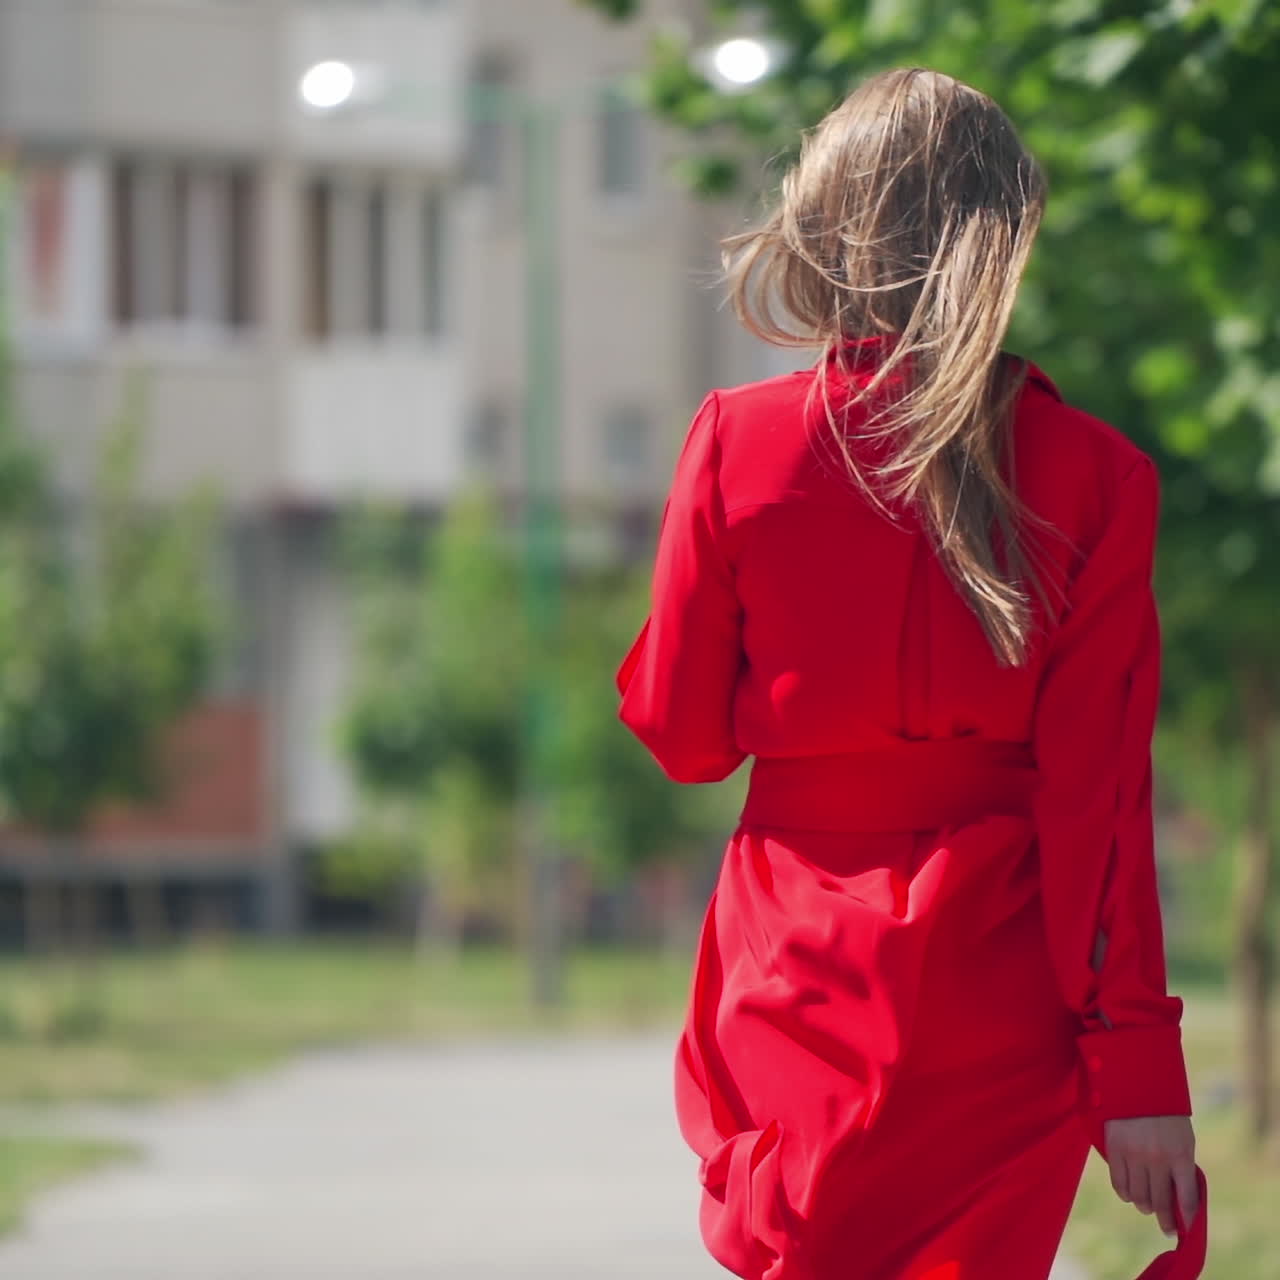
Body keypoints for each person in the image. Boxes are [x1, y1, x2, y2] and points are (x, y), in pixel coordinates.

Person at [615, 67, 1208, 1280]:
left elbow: (679, 736)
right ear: (1007, 236)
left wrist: (791, 714)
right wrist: (1138, 1069)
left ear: (826, 231)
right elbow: (1099, 800)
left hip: (794, 969)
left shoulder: (737, 442)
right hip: (1003, 987)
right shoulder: (1095, 476)